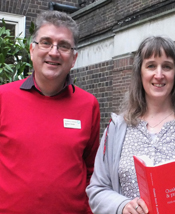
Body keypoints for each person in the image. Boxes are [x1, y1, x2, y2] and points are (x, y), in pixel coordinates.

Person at [86, 36, 175, 214]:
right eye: (151, 66)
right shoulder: (117, 128)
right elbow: (97, 190)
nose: (159, 74)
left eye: (167, 66)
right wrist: (122, 206)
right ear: (140, 73)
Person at [0, 11, 100, 213]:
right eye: (46, 42)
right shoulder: (3, 98)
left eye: (63, 46)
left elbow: (93, 172)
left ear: (73, 58)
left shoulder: (88, 105)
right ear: (31, 50)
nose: (54, 52)